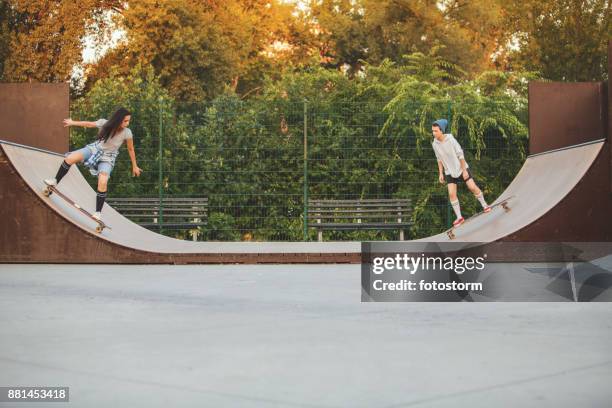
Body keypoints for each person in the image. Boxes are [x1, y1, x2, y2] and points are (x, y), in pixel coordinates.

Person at [44, 107, 142, 221]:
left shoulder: (127, 133)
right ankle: (55, 181)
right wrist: (72, 122)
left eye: (129, 121)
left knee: (103, 181)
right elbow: (89, 124)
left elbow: (130, 149)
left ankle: (98, 212)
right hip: (95, 149)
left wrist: (134, 165)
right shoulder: (105, 124)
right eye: (125, 121)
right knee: (70, 158)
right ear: (118, 119)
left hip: (108, 158)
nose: (127, 123)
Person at [431, 119, 490, 227]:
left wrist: (464, 170)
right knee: (452, 194)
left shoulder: (451, 139)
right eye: (433, 131)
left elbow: (460, 155)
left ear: (441, 131)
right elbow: (438, 159)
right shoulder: (434, 144)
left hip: (461, 167)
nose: (433, 133)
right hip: (449, 171)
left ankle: (485, 205)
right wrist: (440, 173)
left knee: (472, 187)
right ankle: (459, 217)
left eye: (435, 131)